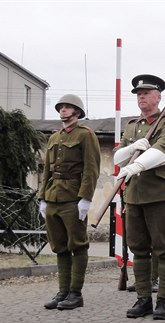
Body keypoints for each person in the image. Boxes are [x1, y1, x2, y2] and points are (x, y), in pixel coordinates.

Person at [114, 74, 165, 320]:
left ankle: (163, 300)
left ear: (158, 96)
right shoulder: (132, 125)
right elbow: (118, 158)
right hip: (135, 195)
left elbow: (163, 151)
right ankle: (143, 299)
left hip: (160, 195)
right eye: (139, 94)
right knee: (138, 249)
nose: (141, 97)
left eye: (146, 93)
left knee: (164, 250)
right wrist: (130, 150)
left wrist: (136, 166)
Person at [38, 94, 101, 311]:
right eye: (61, 107)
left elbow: (91, 168)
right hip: (53, 197)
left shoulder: (85, 135)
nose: (63, 110)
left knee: (78, 245)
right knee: (60, 247)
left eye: (68, 107)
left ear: (77, 112)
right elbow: (47, 169)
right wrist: (42, 197)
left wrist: (85, 198)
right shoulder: (54, 137)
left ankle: (76, 293)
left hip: (73, 198)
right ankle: (62, 292)